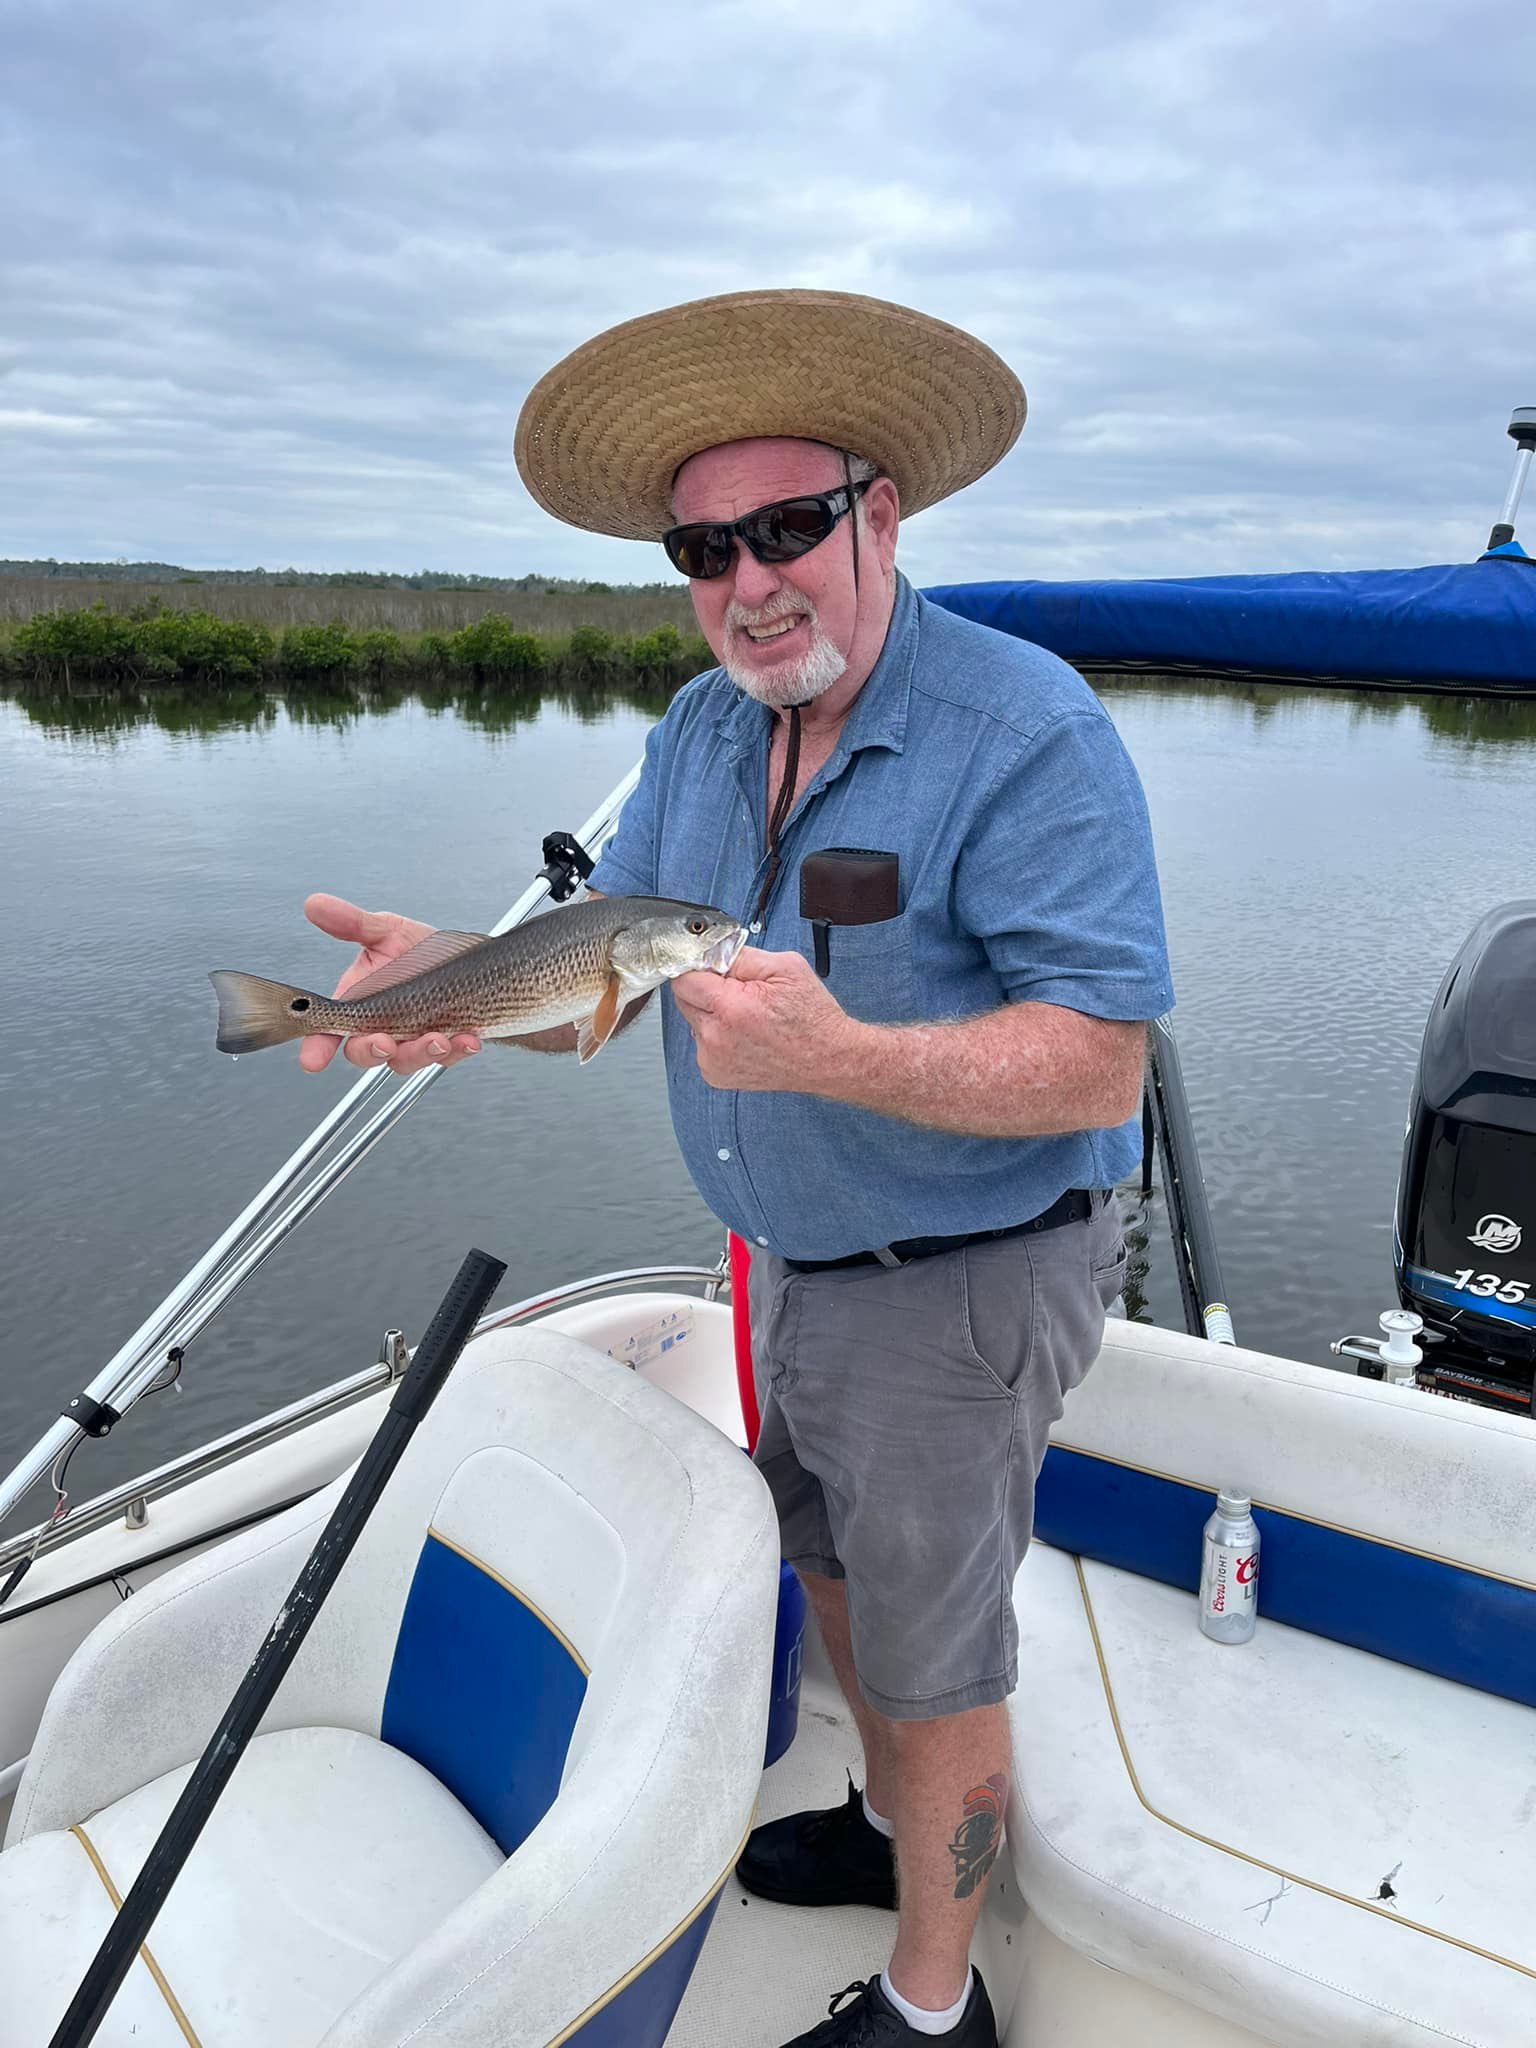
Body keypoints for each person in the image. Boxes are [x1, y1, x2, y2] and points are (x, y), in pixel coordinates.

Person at [301, 290, 1174, 2048]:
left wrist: (842, 1057)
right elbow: (607, 979)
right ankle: (882, 1828)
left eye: (786, 527)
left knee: (937, 1662)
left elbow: (1103, 1055)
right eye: (705, 547)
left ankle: (937, 1998)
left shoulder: (1029, 732)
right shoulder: (703, 730)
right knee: (829, 1570)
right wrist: (452, 987)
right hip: (780, 1265)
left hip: (957, 1286)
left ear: (880, 515)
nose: (749, 581)